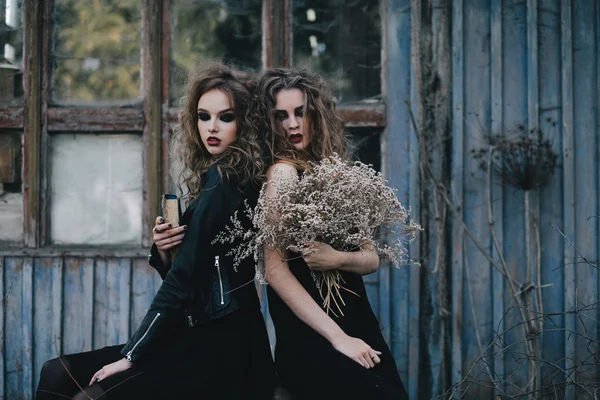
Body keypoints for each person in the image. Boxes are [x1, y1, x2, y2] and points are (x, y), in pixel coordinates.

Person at [35, 63, 276, 400]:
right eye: (204, 116)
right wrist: (165, 249)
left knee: (88, 394)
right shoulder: (217, 176)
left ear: (245, 123)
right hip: (193, 334)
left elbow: (183, 279)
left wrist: (132, 354)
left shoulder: (227, 178)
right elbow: (190, 269)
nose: (212, 127)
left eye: (226, 117)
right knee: (57, 372)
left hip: (223, 348)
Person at [255, 67, 409, 400]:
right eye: (281, 116)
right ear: (269, 123)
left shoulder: (335, 173)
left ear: (316, 113)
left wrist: (336, 258)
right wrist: (338, 339)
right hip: (315, 336)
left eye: (300, 112)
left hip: (357, 321)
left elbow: (370, 260)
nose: (293, 124)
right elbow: (275, 270)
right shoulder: (282, 173)